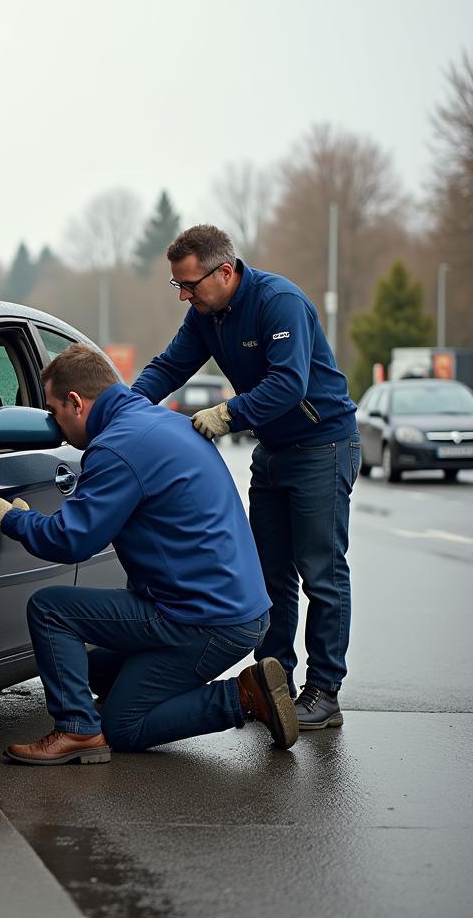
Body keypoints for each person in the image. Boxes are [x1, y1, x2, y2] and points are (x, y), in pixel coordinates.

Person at [0, 343, 299, 765]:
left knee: (53, 615)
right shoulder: (158, 422)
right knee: (89, 667)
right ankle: (118, 703)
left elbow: (71, 540)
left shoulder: (117, 447)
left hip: (203, 619)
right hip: (234, 607)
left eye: (53, 410)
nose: (53, 425)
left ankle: (239, 697)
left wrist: (12, 521)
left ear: (76, 403)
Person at [131, 224, 359, 731]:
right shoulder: (205, 315)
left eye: (190, 285)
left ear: (226, 271)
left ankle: (324, 692)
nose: (185, 296)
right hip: (274, 449)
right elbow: (169, 367)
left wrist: (227, 414)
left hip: (323, 445)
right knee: (270, 575)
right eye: (179, 287)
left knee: (321, 572)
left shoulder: (279, 302)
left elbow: (288, 382)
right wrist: (121, 408)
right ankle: (273, 683)